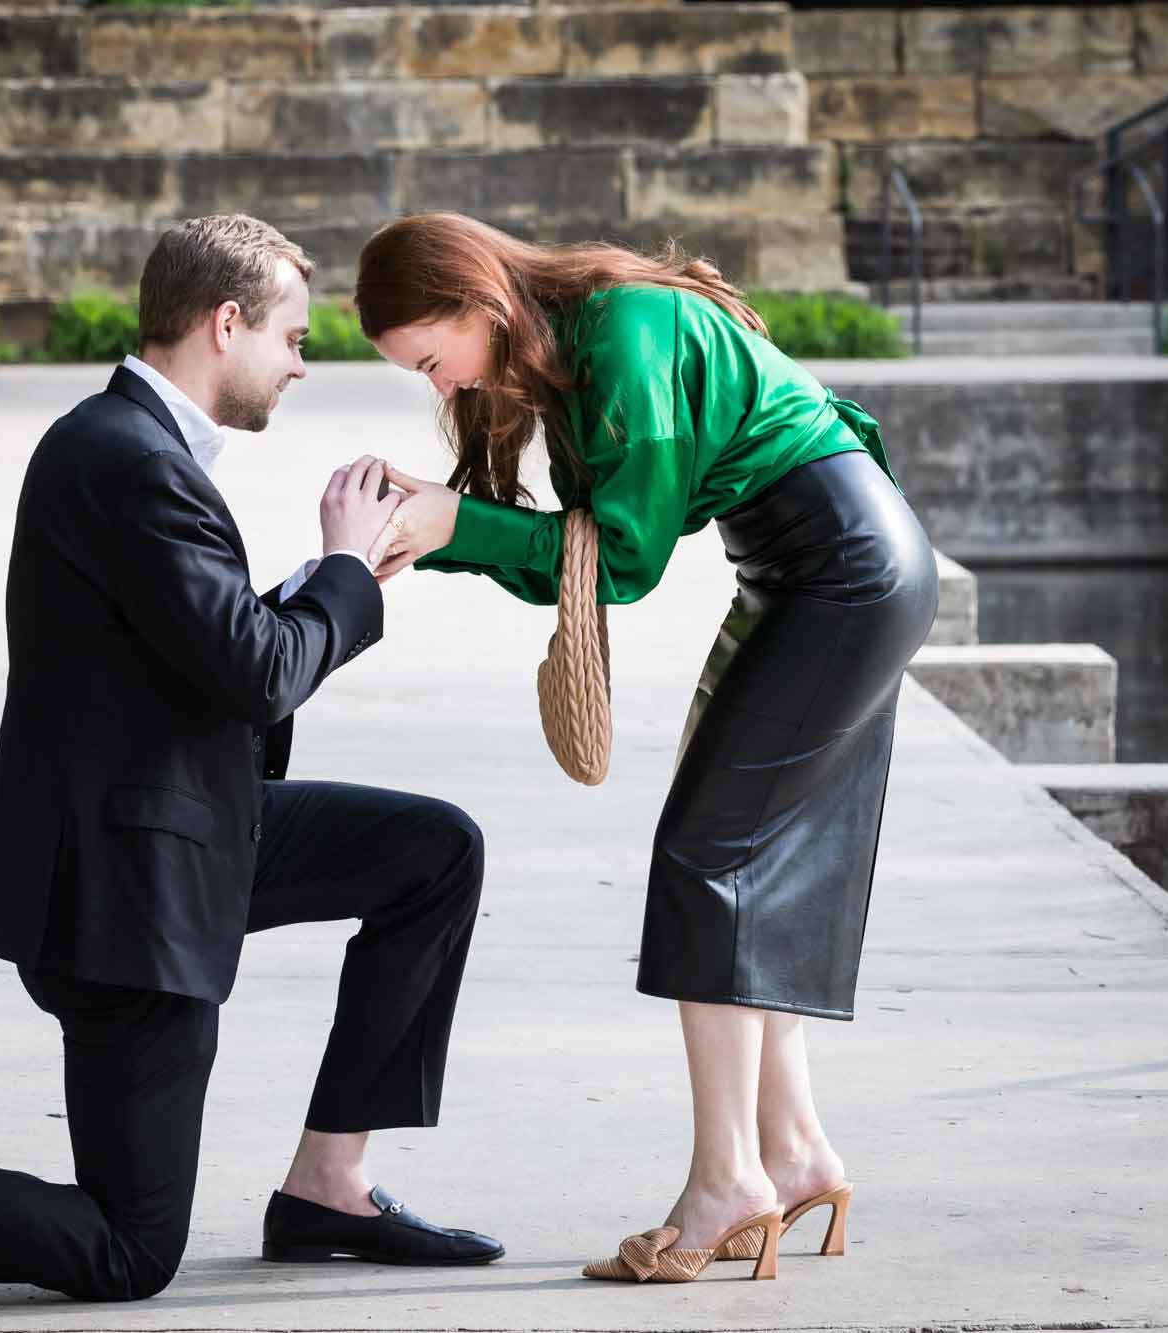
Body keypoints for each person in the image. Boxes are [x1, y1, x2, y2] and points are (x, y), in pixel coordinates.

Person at [0, 213, 503, 1311]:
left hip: (182, 831)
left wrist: (334, 582)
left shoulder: (130, 449)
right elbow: (258, 676)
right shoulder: (126, 461)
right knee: (128, 1249)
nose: (301, 364)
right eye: (292, 338)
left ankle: (328, 1182)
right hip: (127, 898)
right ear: (225, 324)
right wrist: (342, 573)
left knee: (431, 853)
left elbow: (204, 653)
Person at [357, 212, 938, 1285]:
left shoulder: (620, 332)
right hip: (819, 571)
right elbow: (585, 548)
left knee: (705, 861)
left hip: (841, 574)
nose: (440, 392)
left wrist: (452, 528)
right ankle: (797, 1152)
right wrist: (433, 534)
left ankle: (728, 1178)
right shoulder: (583, 333)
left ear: (479, 302)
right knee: (741, 866)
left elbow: (619, 562)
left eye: (434, 362)